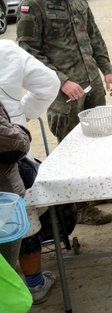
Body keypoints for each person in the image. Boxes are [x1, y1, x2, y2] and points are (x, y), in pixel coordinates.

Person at [16, 0, 112, 226]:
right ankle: (79, 206)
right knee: (71, 148)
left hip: (91, 82)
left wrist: (107, 69)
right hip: (64, 92)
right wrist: (61, 81)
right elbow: (27, 50)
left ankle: (97, 189)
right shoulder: (33, 2)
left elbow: (93, 34)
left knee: (98, 140)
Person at [0, 102, 57, 305]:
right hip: (4, 193)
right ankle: (34, 284)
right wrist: (20, 128)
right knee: (23, 227)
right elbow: (13, 142)